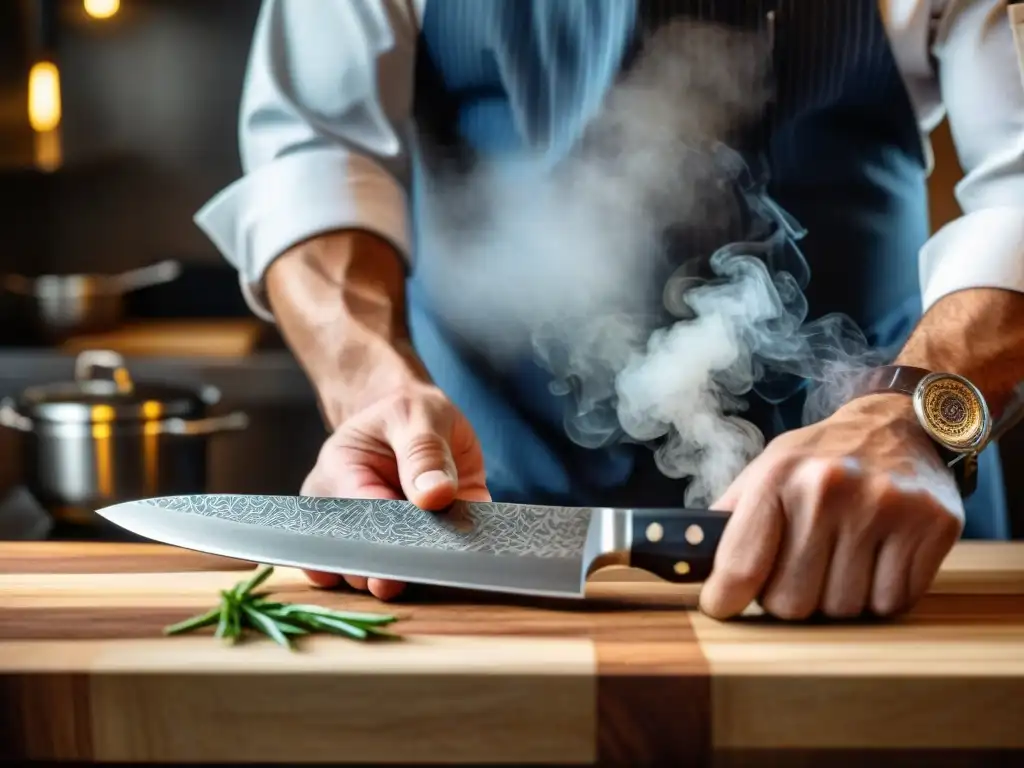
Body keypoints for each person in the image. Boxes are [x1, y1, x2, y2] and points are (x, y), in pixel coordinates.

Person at [195, 0, 1024, 620]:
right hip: (475, 518)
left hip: (882, 513)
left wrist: (920, 410)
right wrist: (377, 396)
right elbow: (315, 149)